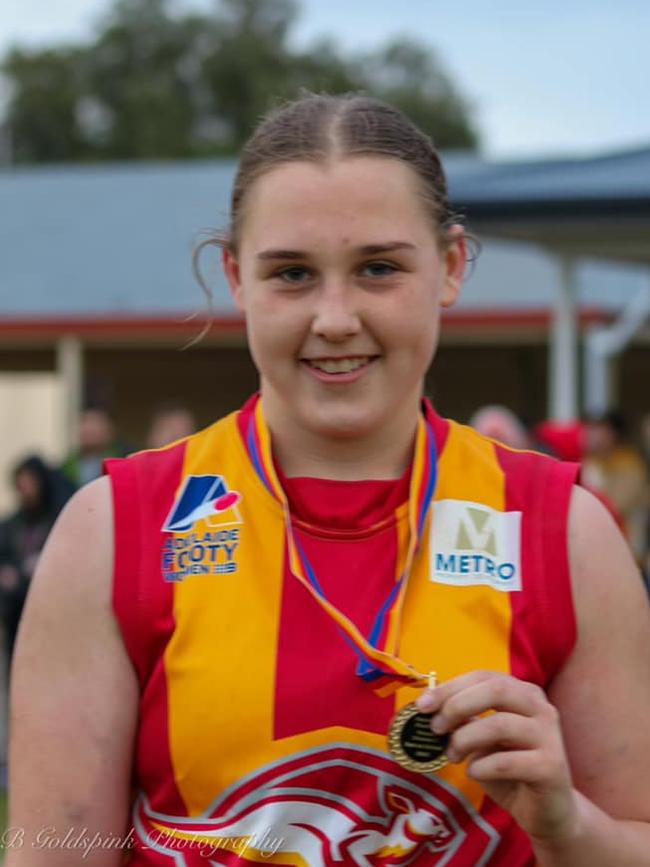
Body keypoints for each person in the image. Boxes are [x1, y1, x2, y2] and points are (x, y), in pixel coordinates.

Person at [8, 94, 650, 867]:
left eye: (378, 267)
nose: (336, 316)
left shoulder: (566, 531)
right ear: (237, 277)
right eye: (293, 274)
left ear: (450, 267)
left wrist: (566, 826)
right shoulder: (113, 530)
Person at [0, 455, 73, 669]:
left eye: (30, 482)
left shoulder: (59, 520)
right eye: (21, 483)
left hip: (51, 610)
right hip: (16, 610)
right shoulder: (11, 523)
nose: (25, 488)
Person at [582, 410, 648, 563]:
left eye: (598, 429)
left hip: (626, 551)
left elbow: (616, 506)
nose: (590, 434)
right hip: (596, 549)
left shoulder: (629, 464)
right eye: (589, 428)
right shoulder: (588, 461)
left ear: (613, 434)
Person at [60, 406, 131, 488]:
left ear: (110, 429)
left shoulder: (124, 462)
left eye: (95, 423)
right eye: (84, 422)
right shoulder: (66, 466)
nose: (88, 429)